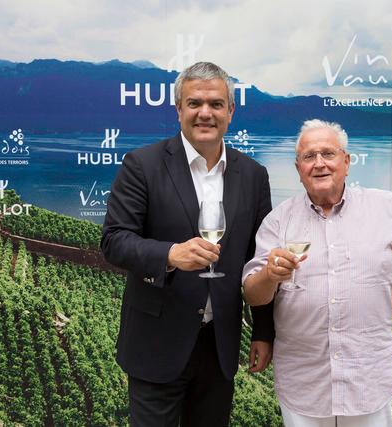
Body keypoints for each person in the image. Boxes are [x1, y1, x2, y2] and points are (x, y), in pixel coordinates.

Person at [242, 119, 392, 427]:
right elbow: (253, 294)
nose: (319, 163)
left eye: (328, 153)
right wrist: (269, 275)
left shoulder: (386, 207)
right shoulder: (278, 221)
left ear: (347, 161)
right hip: (304, 384)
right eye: (309, 156)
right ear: (298, 168)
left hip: (367, 380)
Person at [101, 61, 274, 427]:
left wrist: (263, 331)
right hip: (156, 345)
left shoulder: (254, 176)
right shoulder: (141, 165)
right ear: (179, 109)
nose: (205, 113)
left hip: (220, 347)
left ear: (230, 111)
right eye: (194, 103)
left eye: (215, 104)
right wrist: (169, 254)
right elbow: (114, 241)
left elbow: (258, 261)